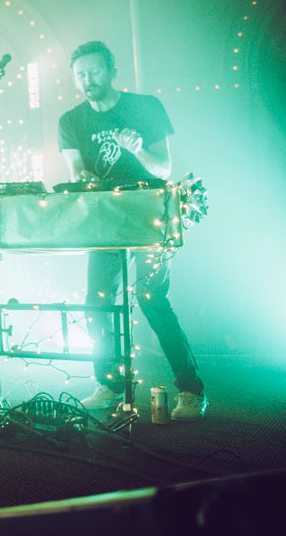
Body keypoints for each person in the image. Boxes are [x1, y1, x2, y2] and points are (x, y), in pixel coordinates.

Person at [58, 40, 206, 421]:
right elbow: (74, 174)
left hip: (147, 214)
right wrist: (84, 178)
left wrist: (139, 149)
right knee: (97, 302)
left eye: (93, 72)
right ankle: (109, 384)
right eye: (79, 75)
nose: (87, 80)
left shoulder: (145, 107)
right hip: (103, 218)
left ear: (110, 71)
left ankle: (191, 391)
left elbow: (163, 169)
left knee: (151, 299)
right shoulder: (70, 121)